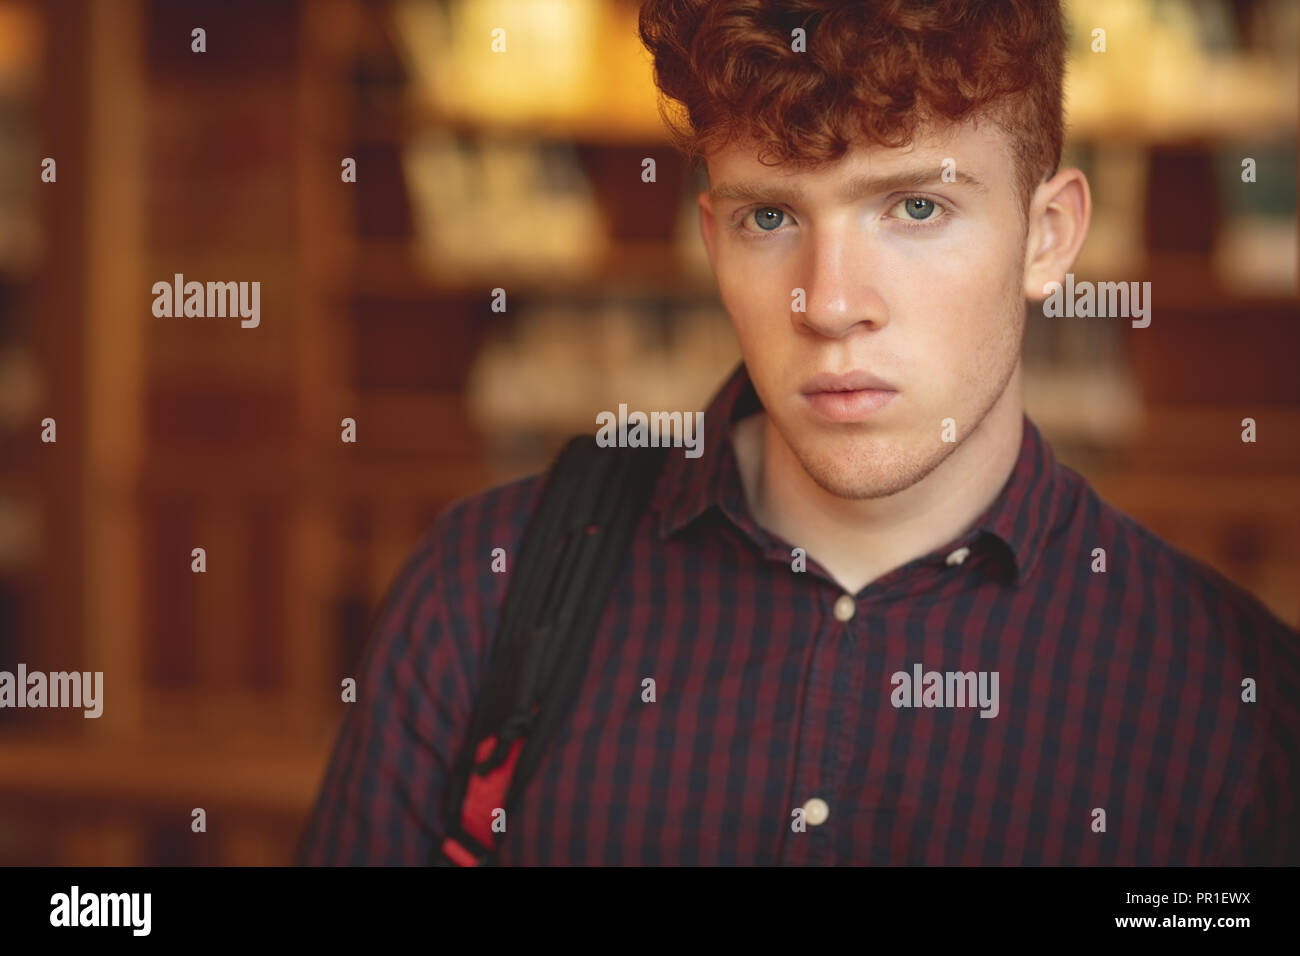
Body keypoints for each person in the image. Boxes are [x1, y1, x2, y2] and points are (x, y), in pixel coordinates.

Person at [298, 0, 1299, 865]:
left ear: (1048, 236)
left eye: (914, 206)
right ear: (709, 238)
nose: (829, 303)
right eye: (769, 219)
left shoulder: (1234, 709)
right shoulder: (481, 594)